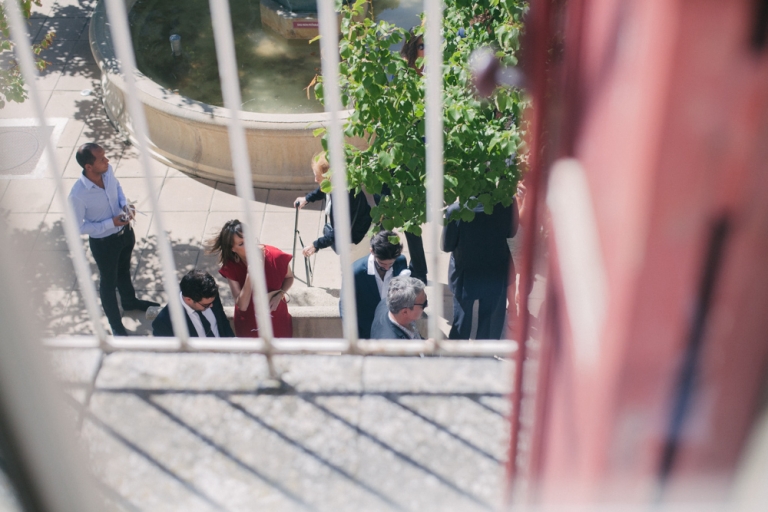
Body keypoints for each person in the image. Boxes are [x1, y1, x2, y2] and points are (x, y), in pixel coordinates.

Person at [68, 142, 158, 336]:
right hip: (104, 244)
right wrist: (111, 223)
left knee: (124, 270)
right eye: (102, 159)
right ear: (88, 167)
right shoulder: (77, 195)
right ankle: (116, 325)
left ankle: (129, 301)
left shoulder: (107, 172)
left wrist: (125, 206)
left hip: (125, 234)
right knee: (108, 283)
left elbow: (117, 189)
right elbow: (78, 227)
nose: (107, 160)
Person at [442, 199, 519, 340]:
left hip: (465, 274)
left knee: (462, 321)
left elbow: (447, 246)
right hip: (495, 271)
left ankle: (456, 357)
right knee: (489, 323)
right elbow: (511, 233)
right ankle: (484, 358)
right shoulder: (507, 204)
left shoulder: (455, 210)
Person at [206, 220, 294, 338]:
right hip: (249, 323)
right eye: (241, 243)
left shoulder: (275, 256)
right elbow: (242, 305)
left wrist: (280, 295)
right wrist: (250, 275)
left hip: (276, 317)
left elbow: (289, 277)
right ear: (233, 249)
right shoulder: (231, 267)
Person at [294, 152, 372, 262]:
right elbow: (323, 189)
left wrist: (315, 245)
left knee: (350, 274)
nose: (315, 180)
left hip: (357, 241)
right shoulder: (340, 182)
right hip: (353, 231)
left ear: (329, 177)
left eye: (318, 177)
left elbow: (339, 232)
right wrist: (307, 199)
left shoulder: (343, 199)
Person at [348, 230, 410, 338]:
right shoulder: (355, 272)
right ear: (372, 251)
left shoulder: (401, 261)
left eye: (391, 263)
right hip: (366, 332)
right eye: (382, 263)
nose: (387, 268)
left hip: (394, 330)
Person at [152, 270, 234, 338]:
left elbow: (223, 322)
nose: (211, 306)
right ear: (188, 300)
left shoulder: (210, 295)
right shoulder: (164, 323)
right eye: (206, 305)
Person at [370, 275, 427, 339]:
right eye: (424, 304)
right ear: (405, 312)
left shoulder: (385, 303)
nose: (427, 306)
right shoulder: (395, 345)